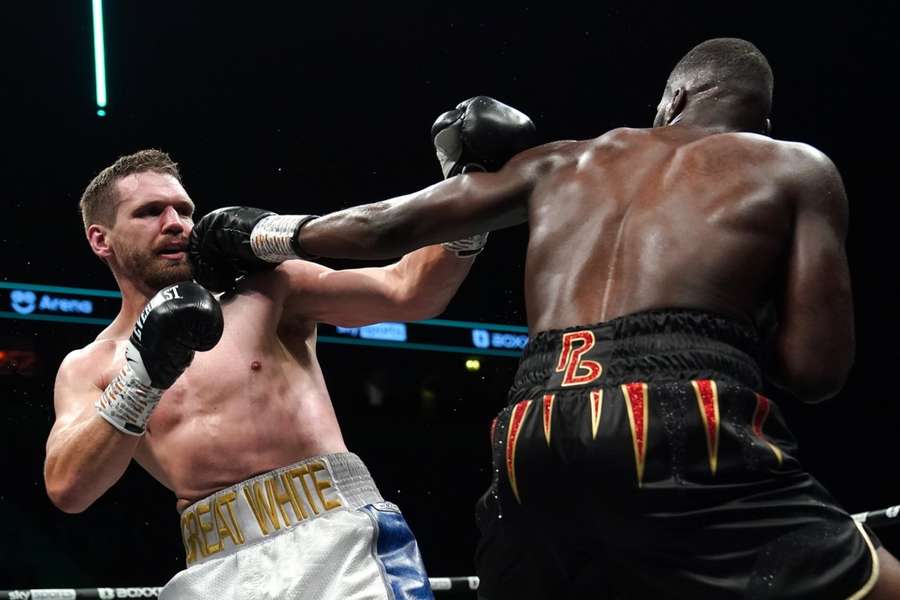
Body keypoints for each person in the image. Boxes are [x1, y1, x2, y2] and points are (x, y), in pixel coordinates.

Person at [192, 39, 900, 599]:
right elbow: (817, 371)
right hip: (688, 412)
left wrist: (251, 232)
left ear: (673, 99)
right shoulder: (796, 167)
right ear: (762, 119)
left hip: (533, 426)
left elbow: (384, 227)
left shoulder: (567, 159)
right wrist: (739, 315)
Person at [43, 97, 535, 600]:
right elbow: (68, 489)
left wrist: (470, 195)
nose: (177, 223)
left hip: (337, 540)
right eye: (150, 212)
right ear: (100, 240)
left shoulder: (264, 289)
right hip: (213, 568)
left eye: (184, 210)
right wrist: (140, 378)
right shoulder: (92, 365)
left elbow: (412, 290)